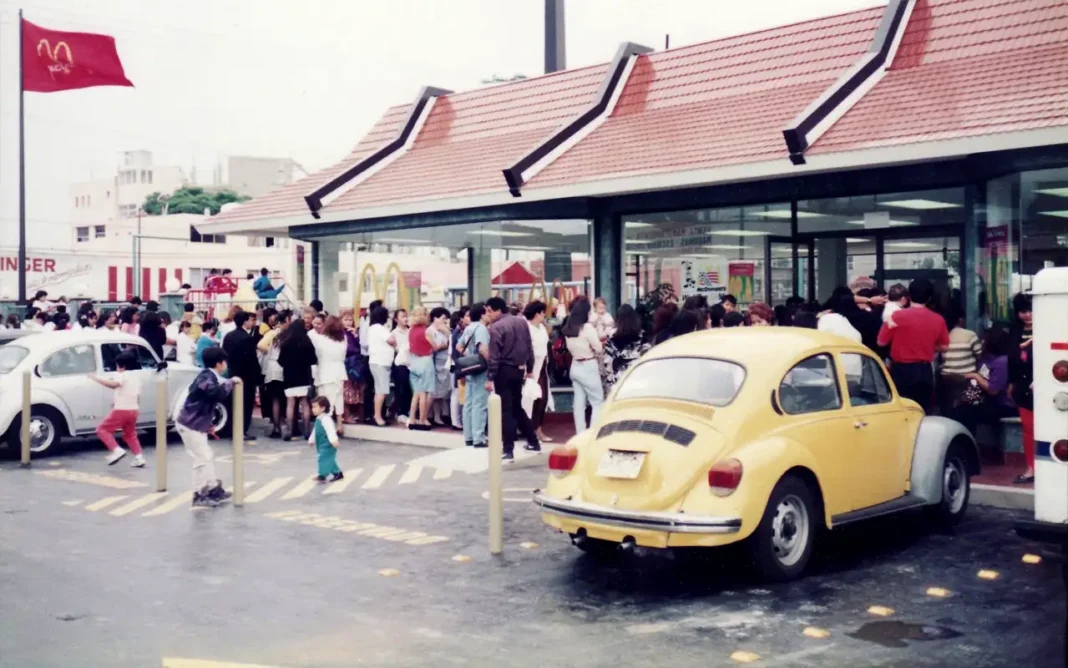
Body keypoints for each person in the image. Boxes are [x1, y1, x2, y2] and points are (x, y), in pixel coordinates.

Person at [877, 278, 949, 413]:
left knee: (902, 411)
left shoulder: (895, 316)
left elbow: (881, 342)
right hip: (924, 370)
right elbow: (944, 347)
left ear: (909, 296)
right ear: (929, 298)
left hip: (900, 370)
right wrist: (928, 345)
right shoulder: (938, 319)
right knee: (923, 411)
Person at [175, 346, 235, 507]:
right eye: (225, 362)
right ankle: (199, 493)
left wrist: (208, 424)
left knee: (206, 455)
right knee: (202, 458)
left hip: (193, 423)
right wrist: (231, 382)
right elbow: (216, 393)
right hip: (190, 424)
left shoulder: (207, 376)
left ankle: (212, 487)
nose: (226, 365)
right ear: (219, 363)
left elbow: (206, 401)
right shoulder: (207, 378)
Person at [486, 296, 539, 461]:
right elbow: (529, 347)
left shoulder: (496, 327)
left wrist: (490, 377)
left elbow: (494, 355)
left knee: (506, 410)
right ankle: (533, 441)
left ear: (498, 310)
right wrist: (529, 368)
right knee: (516, 407)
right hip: (519, 370)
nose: (488, 315)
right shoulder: (522, 322)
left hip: (503, 370)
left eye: (490, 311)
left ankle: (508, 449)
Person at [950, 326, 1017, 438]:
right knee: (960, 409)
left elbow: (993, 390)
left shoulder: (1002, 361)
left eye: (985, 340)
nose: (982, 342)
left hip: (1001, 403)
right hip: (984, 399)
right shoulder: (985, 357)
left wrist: (976, 376)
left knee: (966, 413)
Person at [88, 351, 145, 468]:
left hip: (122, 410)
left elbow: (113, 384)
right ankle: (139, 457)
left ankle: (117, 450)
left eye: (117, 366)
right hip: (134, 409)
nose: (117, 368)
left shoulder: (122, 374)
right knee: (130, 434)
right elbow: (134, 394)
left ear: (122, 366)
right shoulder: (136, 377)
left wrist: (96, 378)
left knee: (102, 430)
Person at [562, 298, 604, 437]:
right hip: (588, 366)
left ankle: (580, 435)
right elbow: (598, 348)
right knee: (597, 402)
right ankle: (592, 435)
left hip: (575, 365)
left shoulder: (568, 328)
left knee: (578, 404)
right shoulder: (587, 328)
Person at [1008, 293, 1035, 484]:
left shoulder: (1049, 328)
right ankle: (1031, 468)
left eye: (1030, 310)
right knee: (1028, 429)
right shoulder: (1014, 331)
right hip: (1023, 386)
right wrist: (1011, 384)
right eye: (1023, 311)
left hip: (1045, 384)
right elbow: (1011, 358)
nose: (1027, 315)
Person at [222, 311, 262, 439]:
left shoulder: (229, 336)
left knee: (233, 402)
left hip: (233, 372)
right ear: (245, 321)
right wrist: (258, 375)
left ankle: (231, 429)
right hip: (247, 375)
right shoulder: (247, 338)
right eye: (250, 320)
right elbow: (252, 359)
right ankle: (242, 430)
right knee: (246, 403)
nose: (252, 322)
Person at [458, 303, 491, 448]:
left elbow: (458, 346)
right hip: (481, 369)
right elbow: (483, 348)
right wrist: (491, 362)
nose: (489, 314)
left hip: (470, 368)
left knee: (469, 403)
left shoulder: (469, 328)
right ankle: (479, 437)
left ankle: (469, 436)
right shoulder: (481, 329)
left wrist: (469, 356)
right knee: (480, 403)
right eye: (487, 312)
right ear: (482, 315)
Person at [278, 318, 317, 440]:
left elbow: (281, 361)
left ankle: (290, 431)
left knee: (290, 404)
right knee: (305, 403)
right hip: (303, 375)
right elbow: (313, 359)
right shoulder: (307, 342)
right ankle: (306, 431)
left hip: (289, 375)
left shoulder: (286, 343)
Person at [938, 306, 982, 414]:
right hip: (966, 379)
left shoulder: (943, 336)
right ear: (960, 320)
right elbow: (979, 355)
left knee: (947, 410)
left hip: (946, 379)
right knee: (970, 411)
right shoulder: (970, 335)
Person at [311, 315, 348, 432]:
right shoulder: (343, 339)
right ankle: (339, 424)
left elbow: (317, 355)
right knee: (338, 398)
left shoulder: (321, 339)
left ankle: (327, 426)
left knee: (326, 401)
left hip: (325, 371)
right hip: (339, 370)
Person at [523, 301, 552, 443]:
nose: (544, 316)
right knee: (532, 399)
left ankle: (538, 429)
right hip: (531, 367)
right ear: (537, 314)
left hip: (543, 366)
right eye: (542, 313)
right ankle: (532, 431)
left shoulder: (541, 327)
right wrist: (527, 369)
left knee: (543, 398)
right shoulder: (526, 328)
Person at [603, 303, 649, 392]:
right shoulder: (641, 335)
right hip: (637, 375)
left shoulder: (612, 336)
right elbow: (647, 354)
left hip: (619, 378)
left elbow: (608, 360)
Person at [258, 310, 288, 438]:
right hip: (281, 368)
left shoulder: (272, 333)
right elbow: (260, 345)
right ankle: (282, 424)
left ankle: (276, 427)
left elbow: (260, 345)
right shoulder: (285, 334)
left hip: (272, 369)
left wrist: (269, 352)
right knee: (282, 399)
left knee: (275, 399)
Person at [406, 306, 435, 430]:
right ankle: (422, 420)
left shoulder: (411, 330)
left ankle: (412, 419)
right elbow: (435, 346)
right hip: (425, 361)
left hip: (414, 362)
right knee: (424, 394)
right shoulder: (426, 331)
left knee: (416, 393)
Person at [366, 305, 395, 427]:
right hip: (380, 362)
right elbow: (391, 340)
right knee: (382, 390)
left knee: (380, 390)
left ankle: (377, 415)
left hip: (378, 362)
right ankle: (377, 416)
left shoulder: (373, 328)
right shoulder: (379, 328)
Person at [308, 396, 343, 483]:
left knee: (323, 458)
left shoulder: (326, 419)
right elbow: (315, 430)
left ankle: (322, 475)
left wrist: (333, 440)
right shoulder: (319, 419)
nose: (313, 409)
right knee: (329, 459)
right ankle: (337, 473)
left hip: (328, 444)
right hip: (321, 444)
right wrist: (311, 440)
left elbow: (330, 430)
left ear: (323, 408)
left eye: (315, 407)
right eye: (312, 407)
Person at [428, 307, 453, 427]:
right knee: (433, 393)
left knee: (440, 393)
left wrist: (446, 332)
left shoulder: (444, 330)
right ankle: (426, 416)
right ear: (435, 318)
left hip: (444, 364)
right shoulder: (430, 331)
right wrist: (444, 346)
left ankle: (437, 416)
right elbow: (434, 348)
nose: (445, 321)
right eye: (443, 318)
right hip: (435, 364)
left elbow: (451, 342)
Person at [340, 309, 364, 425]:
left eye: (350, 320)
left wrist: (356, 336)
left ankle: (355, 414)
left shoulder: (353, 333)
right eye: (345, 320)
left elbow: (360, 348)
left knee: (356, 389)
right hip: (346, 364)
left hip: (355, 364)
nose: (348, 322)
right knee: (347, 390)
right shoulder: (340, 334)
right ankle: (346, 415)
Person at [389, 309, 412, 425]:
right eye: (402, 316)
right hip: (400, 363)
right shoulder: (394, 333)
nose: (405, 318)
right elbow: (395, 349)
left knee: (409, 388)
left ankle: (404, 411)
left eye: (406, 316)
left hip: (411, 363)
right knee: (401, 388)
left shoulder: (410, 331)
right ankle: (400, 412)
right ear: (396, 319)